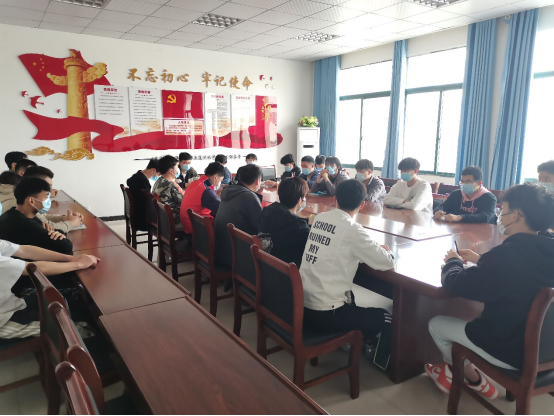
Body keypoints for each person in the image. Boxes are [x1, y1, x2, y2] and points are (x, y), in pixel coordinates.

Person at [426, 183, 554, 401]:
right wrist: (482, 259)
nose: (500, 216)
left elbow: (456, 283)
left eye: (503, 210)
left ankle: (469, 376)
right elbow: (521, 273)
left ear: (515, 215)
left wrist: (453, 262)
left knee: (436, 324)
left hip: (511, 349)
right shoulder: (544, 247)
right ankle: (456, 373)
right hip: (547, 347)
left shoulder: (509, 254)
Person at [300, 179, 395, 342]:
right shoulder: (353, 230)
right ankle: (357, 343)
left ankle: (353, 340)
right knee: (386, 317)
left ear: (334, 199)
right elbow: (387, 262)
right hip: (327, 313)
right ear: (362, 205)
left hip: (302, 304)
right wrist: (387, 251)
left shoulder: (319, 219)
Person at [0, 241, 99, 340]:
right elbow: (32, 268)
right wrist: (79, 264)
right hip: (5, 319)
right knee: (78, 324)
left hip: (12, 304)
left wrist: (70, 258)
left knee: (76, 306)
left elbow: (23, 250)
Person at [0, 177, 72, 255]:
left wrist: (56, 232)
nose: (48, 200)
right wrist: (62, 235)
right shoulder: (26, 225)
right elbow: (66, 246)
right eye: (46, 197)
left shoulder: (13, 213)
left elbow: (49, 230)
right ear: (32, 201)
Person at [214, 164, 263, 269]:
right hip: (236, 254)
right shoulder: (249, 196)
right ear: (257, 181)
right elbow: (260, 225)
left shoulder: (228, 190)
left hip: (221, 249)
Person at [258, 178, 311, 267]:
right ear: (299, 200)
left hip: (264, 266)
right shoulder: (298, 226)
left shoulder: (267, 211)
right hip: (283, 272)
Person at [24, 166, 83, 233]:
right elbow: (48, 228)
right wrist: (72, 223)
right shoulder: (25, 206)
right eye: (47, 187)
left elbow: (44, 218)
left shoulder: (32, 202)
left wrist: (65, 218)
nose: (49, 191)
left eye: (50, 187)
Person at [180, 162, 225, 234]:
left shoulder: (195, 183)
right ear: (215, 177)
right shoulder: (205, 190)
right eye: (220, 180)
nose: (219, 183)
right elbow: (221, 209)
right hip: (197, 227)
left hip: (189, 223)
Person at [126, 158, 159, 231]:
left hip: (137, 216)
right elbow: (147, 203)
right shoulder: (142, 182)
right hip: (143, 221)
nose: (157, 176)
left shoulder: (137, 176)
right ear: (153, 170)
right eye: (158, 174)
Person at [152, 155, 184, 224]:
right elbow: (184, 202)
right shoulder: (169, 185)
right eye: (177, 167)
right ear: (171, 171)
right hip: (173, 219)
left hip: (163, 218)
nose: (178, 169)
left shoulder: (159, 181)